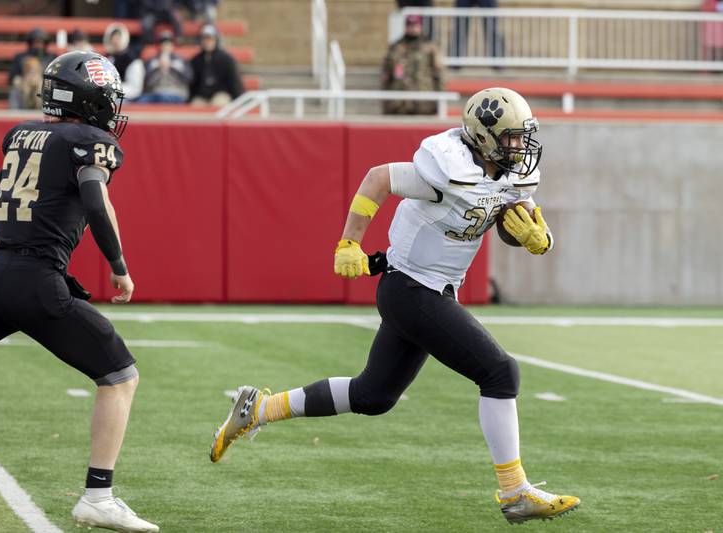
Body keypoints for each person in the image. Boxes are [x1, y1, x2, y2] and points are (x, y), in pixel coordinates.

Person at [210, 87, 580, 525]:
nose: (519, 147)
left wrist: (539, 238)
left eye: (522, 137)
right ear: (482, 137)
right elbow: (378, 178)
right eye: (510, 138)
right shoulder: (446, 166)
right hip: (410, 288)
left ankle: (259, 409)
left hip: (432, 290)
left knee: (373, 395)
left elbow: (512, 218)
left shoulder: (510, 172)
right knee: (500, 371)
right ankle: (514, 491)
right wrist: (350, 241)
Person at [0, 52, 159, 532]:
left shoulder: (21, 133)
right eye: (108, 100)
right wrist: (118, 266)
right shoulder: (91, 141)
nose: (113, 110)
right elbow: (95, 199)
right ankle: (98, 495)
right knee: (120, 375)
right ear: (90, 101)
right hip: (36, 280)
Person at [381, 14, 442, 115]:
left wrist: (438, 103)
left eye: (415, 25)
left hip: (424, 104)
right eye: (410, 25)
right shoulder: (396, 47)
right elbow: (386, 75)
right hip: (399, 104)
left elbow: (439, 74)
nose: (412, 28)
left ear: (420, 26)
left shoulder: (430, 47)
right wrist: (386, 103)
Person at [188, 24, 243, 106]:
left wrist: (239, 101)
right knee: (195, 105)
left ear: (216, 39)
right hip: (201, 96)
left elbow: (234, 82)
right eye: (204, 38)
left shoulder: (226, 59)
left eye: (210, 39)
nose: (207, 42)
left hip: (221, 94)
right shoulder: (195, 60)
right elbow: (192, 83)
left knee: (218, 102)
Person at [8, 28, 55, 109]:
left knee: (41, 84)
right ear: (30, 43)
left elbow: (55, 77)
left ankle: (42, 109)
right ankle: (16, 111)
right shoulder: (20, 57)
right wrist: (26, 76)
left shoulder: (52, 58)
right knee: (16, 84)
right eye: (35, 42)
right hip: (24, 85)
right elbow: (12, 77)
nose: (38, 45)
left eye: (40, 42)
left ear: (45, 44)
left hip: (43, 85)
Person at [139, 31, 191, 103]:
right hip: (155, 93)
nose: (165, 45)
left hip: (176, 93)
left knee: (164, 97)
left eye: (168, 42)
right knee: (141, 101)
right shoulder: (152, 61)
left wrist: (171, 67)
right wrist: (158, 69)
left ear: (172, 45)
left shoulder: (181, 61)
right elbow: (146, 82)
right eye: (162, 42)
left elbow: (188, 79)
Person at [104, 23, 145, 101]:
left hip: (126, 97)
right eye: (113, 38)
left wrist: (114, 91)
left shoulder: (133, 59)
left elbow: (135, 89)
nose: (115, 41)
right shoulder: (106, 58)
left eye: (118, 38)